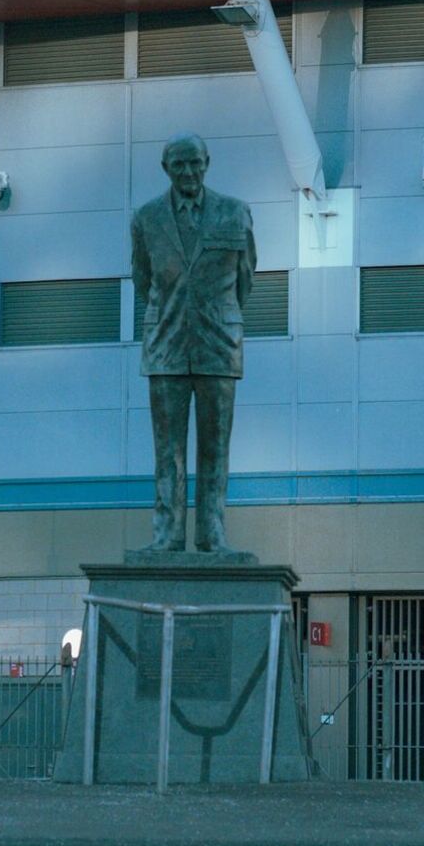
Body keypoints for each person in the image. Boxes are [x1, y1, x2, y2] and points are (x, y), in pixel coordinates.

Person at [131, 133, 255, 554]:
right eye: (179, 165)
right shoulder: (146, 218)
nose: (188, 172)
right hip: (165, 347)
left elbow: (245, 282)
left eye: (195, 163)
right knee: (168, 453)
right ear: (166, 168)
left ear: (208, 163)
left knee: (215, 450)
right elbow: (143, 280)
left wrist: (210, 315)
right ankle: (167, 536)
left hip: (218, 346)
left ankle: (212, 533)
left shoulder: (235, 213)